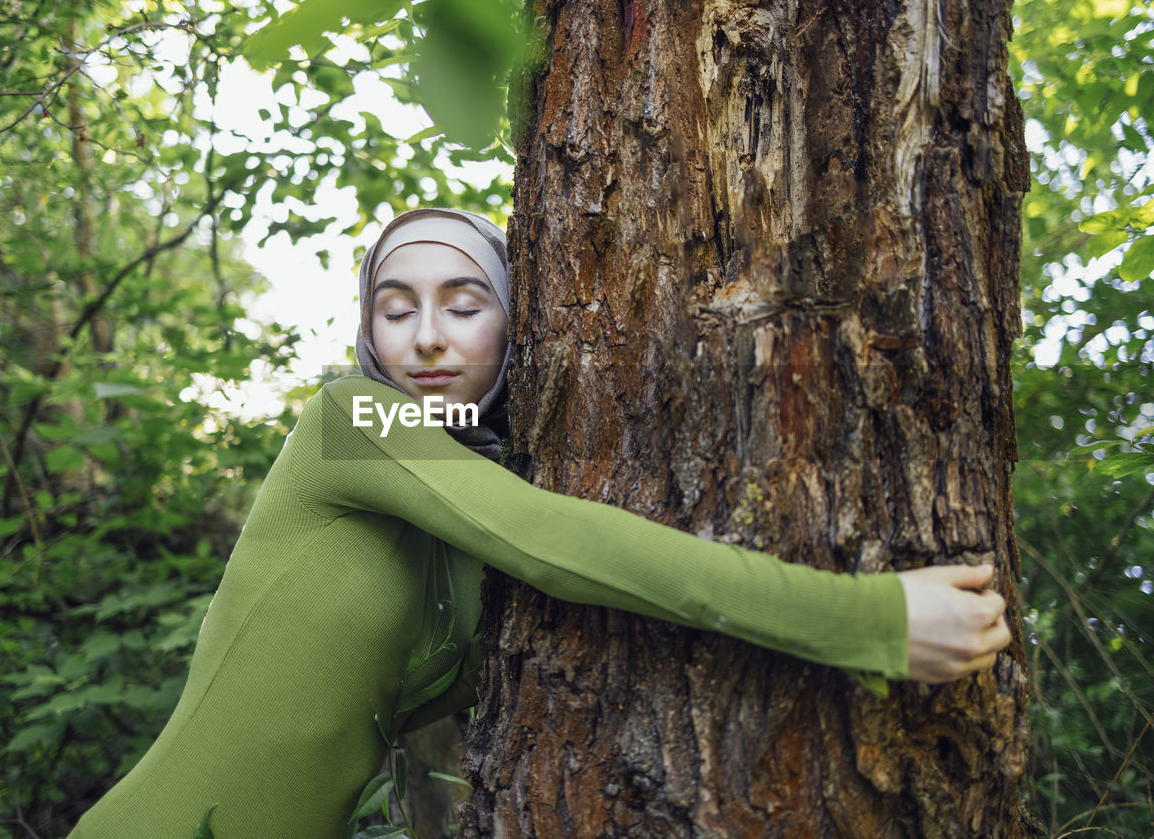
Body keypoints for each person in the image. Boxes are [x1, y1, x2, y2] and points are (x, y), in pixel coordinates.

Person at [68, 208, 1011, 838]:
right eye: (394, 311)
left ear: (516, 322)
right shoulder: (351, 422)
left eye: (465, 304)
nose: (426, 337)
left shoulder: (453, 508)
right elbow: (558, 541)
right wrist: (866, 620)